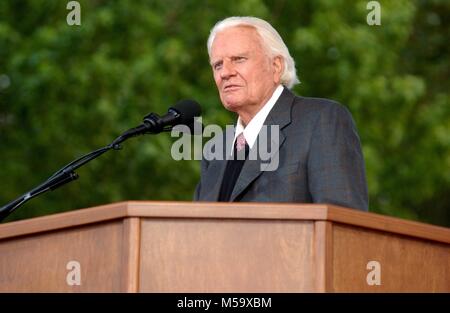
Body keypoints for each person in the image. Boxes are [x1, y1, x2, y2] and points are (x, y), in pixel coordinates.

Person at [194, 16, 368, 211]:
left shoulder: (321, 120)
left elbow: (341, 226)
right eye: (218, 65)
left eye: (238, 59)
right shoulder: (215, 150)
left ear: (276, 66)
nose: (225, 72)